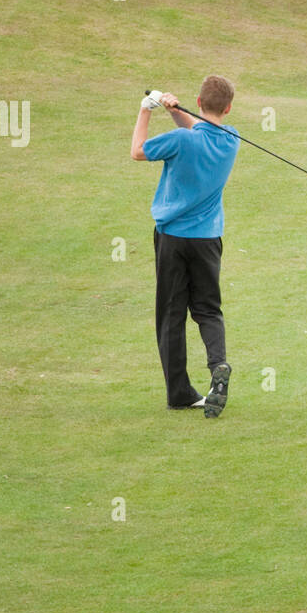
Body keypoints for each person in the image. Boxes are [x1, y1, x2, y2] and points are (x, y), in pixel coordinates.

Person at [130, 77, 239, 415]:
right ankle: (217, 364)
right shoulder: (232, 138)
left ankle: (179, 392)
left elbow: (137, 151)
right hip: (208, 239)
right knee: (207, 309)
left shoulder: (180, 140)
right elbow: (201, 131)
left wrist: (145, 111)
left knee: (171, 315)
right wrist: (175, 112)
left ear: (198, 100)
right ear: (228, 108)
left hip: (173, 239)